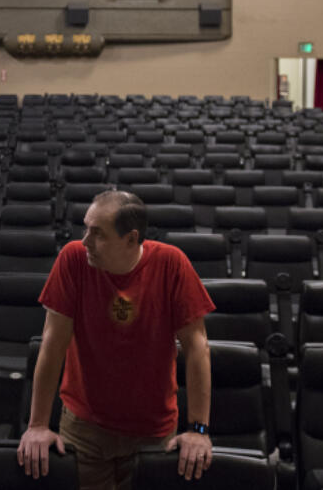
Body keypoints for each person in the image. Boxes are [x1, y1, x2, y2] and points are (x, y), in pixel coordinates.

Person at [17, 190, 215, 489]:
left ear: (131, 239)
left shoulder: (171, 264)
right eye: (86, 229)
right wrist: (38, 425)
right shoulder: (73, 259)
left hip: (152, 430)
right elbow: (53, 343)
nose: (85, 241)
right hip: (85, 427)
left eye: (98, 234)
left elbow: (198, 347)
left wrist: (199, 429)